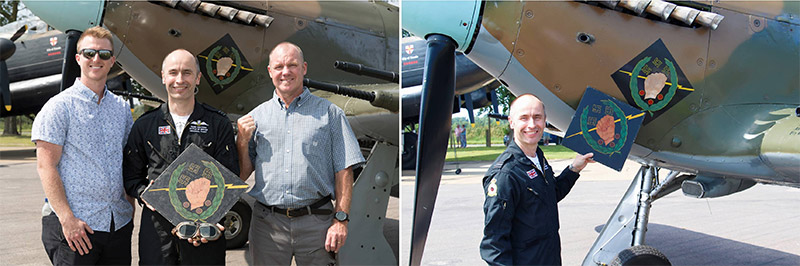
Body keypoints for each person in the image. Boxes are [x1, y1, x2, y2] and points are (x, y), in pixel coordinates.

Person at [237, 42, 365, 265]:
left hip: (317, 224)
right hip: (267, 226)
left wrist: (341, 220)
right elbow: (243, 172)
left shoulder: (330, 114)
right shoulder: (256, 117)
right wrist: (241, 142)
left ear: (304, 68)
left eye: (292, 65)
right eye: (278, 67)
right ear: (270, 72)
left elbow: (344, 171)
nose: (285, 72)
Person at [122, 49, 239, 265]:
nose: (179, 80)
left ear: (197, 78)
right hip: (157, 229)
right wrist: (143, 193)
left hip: (203, 229)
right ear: (163, 76)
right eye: (173, 72)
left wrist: (209, 222)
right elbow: (130, 176)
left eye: (187, 73)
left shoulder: (218, 124)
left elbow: (230, 176)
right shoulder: (145, 125)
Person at [32, 26, 134, 265]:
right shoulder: (59, 107)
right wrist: (67, 219)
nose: (96, 59)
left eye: (104, 54)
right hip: (77, 228)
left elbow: (128, 161)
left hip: (117, 223)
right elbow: (46, 166)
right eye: (89, 53)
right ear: (78, 58)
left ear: (112, 62)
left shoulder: (121, 109)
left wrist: (128, 208)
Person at [480, 94, 594, 266]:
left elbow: (550, 194)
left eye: (537, 117)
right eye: (524, 118)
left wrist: (575, 168)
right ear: (512, 122)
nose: (532, 125)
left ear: (545, 121)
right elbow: (494, 243)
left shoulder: (537, 157)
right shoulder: (506, 174)